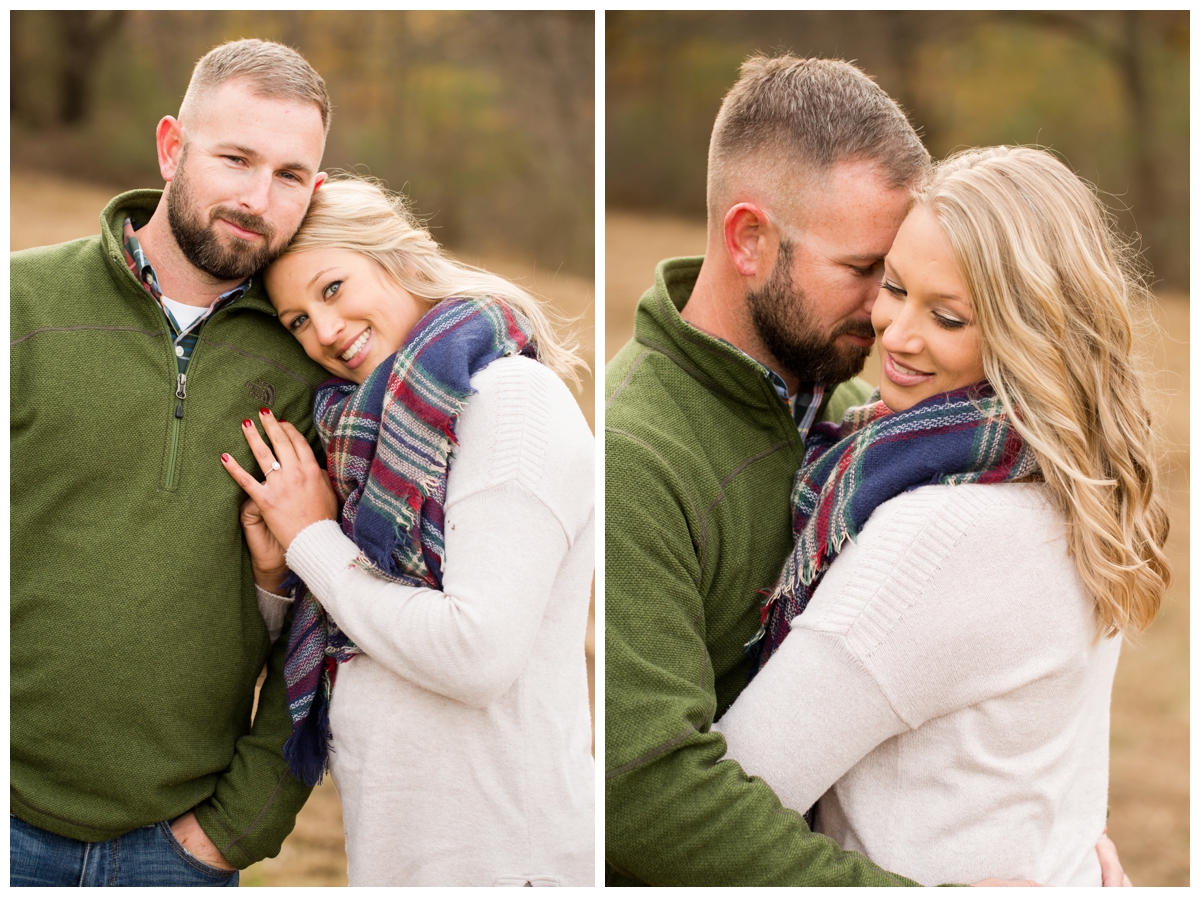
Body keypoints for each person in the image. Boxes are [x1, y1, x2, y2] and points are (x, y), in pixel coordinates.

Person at [605, 55, 1131, 887]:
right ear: (749, 239)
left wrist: (1062, 843)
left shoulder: (868, 422)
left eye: (930, 297)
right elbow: (640, 798)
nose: (887, 324)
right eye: (873, 276)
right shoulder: (632, 456)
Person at [714, 145, 1169, 886]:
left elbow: (728, 804)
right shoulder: (1075, 481)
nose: (896, 334)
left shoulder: (939, 531)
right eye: (894, 287)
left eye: (948, 317)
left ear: (1032, 336)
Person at [11, 39, 332, 886]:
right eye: (236, 158)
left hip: (176, 849)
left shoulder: (317, 365)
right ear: (170, 147)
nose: (258, 198)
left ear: (317, 190)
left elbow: (331, 626)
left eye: (291, 175)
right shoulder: (22, 306)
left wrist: (243, 823)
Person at [218, 176, 596, 886]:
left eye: (332, 289)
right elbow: (358, 625)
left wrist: (314, 541)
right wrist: (279, 571)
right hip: (404, 854)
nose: (324, 331)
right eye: (297, 319)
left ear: (399, 256)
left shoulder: (509, 402)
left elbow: (475, 651)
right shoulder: (371, 438)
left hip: (506, 859)